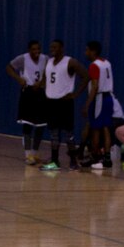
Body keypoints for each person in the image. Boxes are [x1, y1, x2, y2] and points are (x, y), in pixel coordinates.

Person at [40, 38, 87, 171]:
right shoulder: (49, 62)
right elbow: (45, 80)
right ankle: (55, 161)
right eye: (51, 47)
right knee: (54, 134)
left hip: (64, 102)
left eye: (55, 47)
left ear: (62, 48)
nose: (52, 50)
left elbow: (86, 75)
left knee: (68, 134)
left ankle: (73, 161)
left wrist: (75, 94)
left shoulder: (70, 62)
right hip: (51, 102)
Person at [8, 40, 49, 166]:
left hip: (41, 92)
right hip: (28, 92)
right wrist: (19, 79)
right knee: (27, 125)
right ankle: (28, 155)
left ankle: (35, 153)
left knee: (41, 125)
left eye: (38, 49)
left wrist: (42, 82)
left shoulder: (45, 59)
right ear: (29, 50)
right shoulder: (22, 59)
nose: (36, 51)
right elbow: (9, 67)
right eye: (33, 49)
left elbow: (48, 74)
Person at [82, 40, 120, 171]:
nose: (85, 52)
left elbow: (95, 86)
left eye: (87, 50)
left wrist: (87, 104)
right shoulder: (107, 62)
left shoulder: (94, 65)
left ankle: (95, 156)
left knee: (95, 129)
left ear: (93, 51)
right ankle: (107, 158)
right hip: (109, 97)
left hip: (99, 98)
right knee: (106, 128)